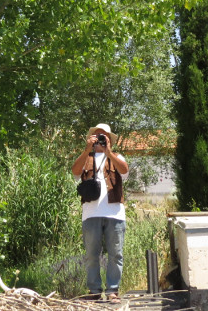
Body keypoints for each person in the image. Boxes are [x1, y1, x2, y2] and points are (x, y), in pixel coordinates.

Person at [71, 123, 130, 303]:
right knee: (91, 255)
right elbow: (74, 172)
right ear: (91, 138)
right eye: (97, 136)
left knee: (116, 254)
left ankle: (113, 291)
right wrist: (87, 149)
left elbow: (125, 171)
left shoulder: (117, 156)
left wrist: (108, 152)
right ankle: (95, 291)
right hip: (90, 214)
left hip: (115, 214)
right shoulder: (85, 158)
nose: (100, 139)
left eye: (103, 136)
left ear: (109, 139)